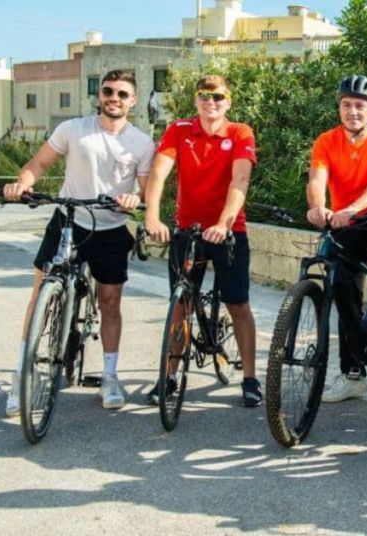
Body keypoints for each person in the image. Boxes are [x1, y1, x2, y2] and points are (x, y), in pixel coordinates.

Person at [3, 69, 154, 414]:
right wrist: (22, 184)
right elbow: (38, 163)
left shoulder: (141, 143)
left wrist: (133, 197)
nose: (113, 97)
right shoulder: (73, 129)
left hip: (111, 228)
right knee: (41, 289)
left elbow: (144, 189)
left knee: (110, 301)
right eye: (108, 91)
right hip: (69, 219)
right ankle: (21, 374)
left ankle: (111, 376)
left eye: (121, 93)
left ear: (132, 101)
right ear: (99, 95)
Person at [143, 74, 261, 407]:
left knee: (238, 304)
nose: (211, 103)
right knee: (179, 306)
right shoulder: (180, 130)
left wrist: (224, 223)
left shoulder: (240, 132)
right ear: (196, 100)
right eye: (204, 96)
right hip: (188, 229)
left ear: (229, 101)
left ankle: (250, 378)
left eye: (218, 97)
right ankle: (168, 376)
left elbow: (240, 180)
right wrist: (151, 216)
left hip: (227, 231)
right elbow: (158, 173)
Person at [306, 74, 367, 403]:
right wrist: (318, 207)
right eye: (346, 105)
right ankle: (353, 372)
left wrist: (353, 208)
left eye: (359, 106)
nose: (352, 112)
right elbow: (317, 178)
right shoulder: (326, 141)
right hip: (344, 219)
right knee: (341, 284)